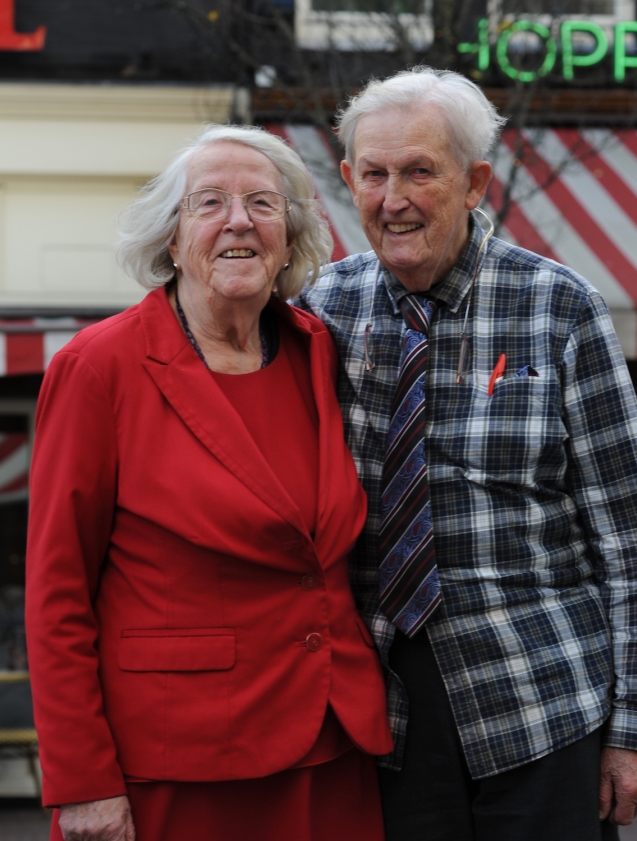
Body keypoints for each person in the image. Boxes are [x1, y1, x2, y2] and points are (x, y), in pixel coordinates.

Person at [297, 67, 637, 841]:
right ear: (347, 180)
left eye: (419, 171)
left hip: (543, 700)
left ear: (474, 181)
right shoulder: (321, 310)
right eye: (373, 174)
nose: (393, 197)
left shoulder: (558, 306)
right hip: (385, 714)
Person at [25, 124, 393, 841]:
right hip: (178, 760)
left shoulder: (314, 350)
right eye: (209, 203)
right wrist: (83, 781)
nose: (239, 221)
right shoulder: (99, 368)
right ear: (171, 237)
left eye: (262, 203)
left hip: (331, 747)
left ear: (288, 237)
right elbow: (56, 592)